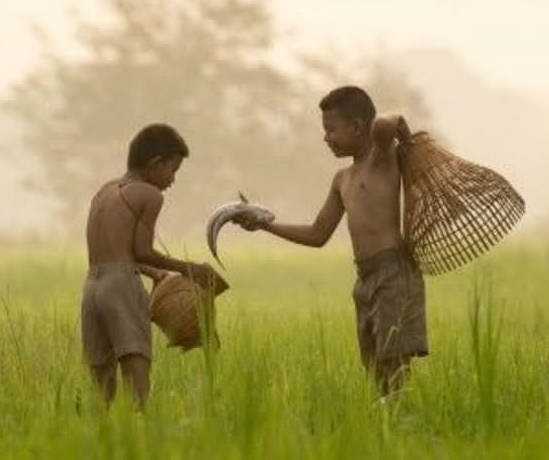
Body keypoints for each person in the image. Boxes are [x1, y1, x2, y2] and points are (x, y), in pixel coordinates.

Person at [235, 86, 427, 397]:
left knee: (395, 371)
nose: (326, 138)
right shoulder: (342, 179)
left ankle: (402, 429)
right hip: (364, 279)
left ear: (357, 127)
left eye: (330, 130)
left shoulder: (383, 158)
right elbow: (317, 234)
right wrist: (264, 225)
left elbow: (385, 124)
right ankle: (386, 434)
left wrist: (402, 131)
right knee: (375, 371)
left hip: (394, 274)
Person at [81, 122, 226, 409]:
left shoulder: (105, 190)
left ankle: (99, 435)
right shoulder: (150, 195)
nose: (172, 180)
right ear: (155, 163)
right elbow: (142, 251)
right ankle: (141, 428)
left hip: (92, 285)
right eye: (172, 170)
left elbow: (115, 251)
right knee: (135, 360)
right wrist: (189, 268)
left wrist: (154, 273)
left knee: (100, 373)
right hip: (121, 284)